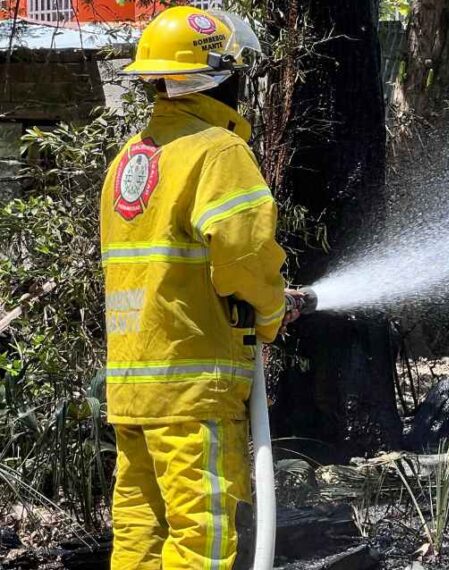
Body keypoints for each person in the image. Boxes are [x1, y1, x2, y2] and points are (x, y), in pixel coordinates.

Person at [100, 7, 303, 569]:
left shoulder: (128, 161)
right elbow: (243, 257)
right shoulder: (217, 152)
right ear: (226, 75)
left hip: (133, 389)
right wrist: (271, 314)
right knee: (201, 536)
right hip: (194, 386)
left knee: (138, 531)